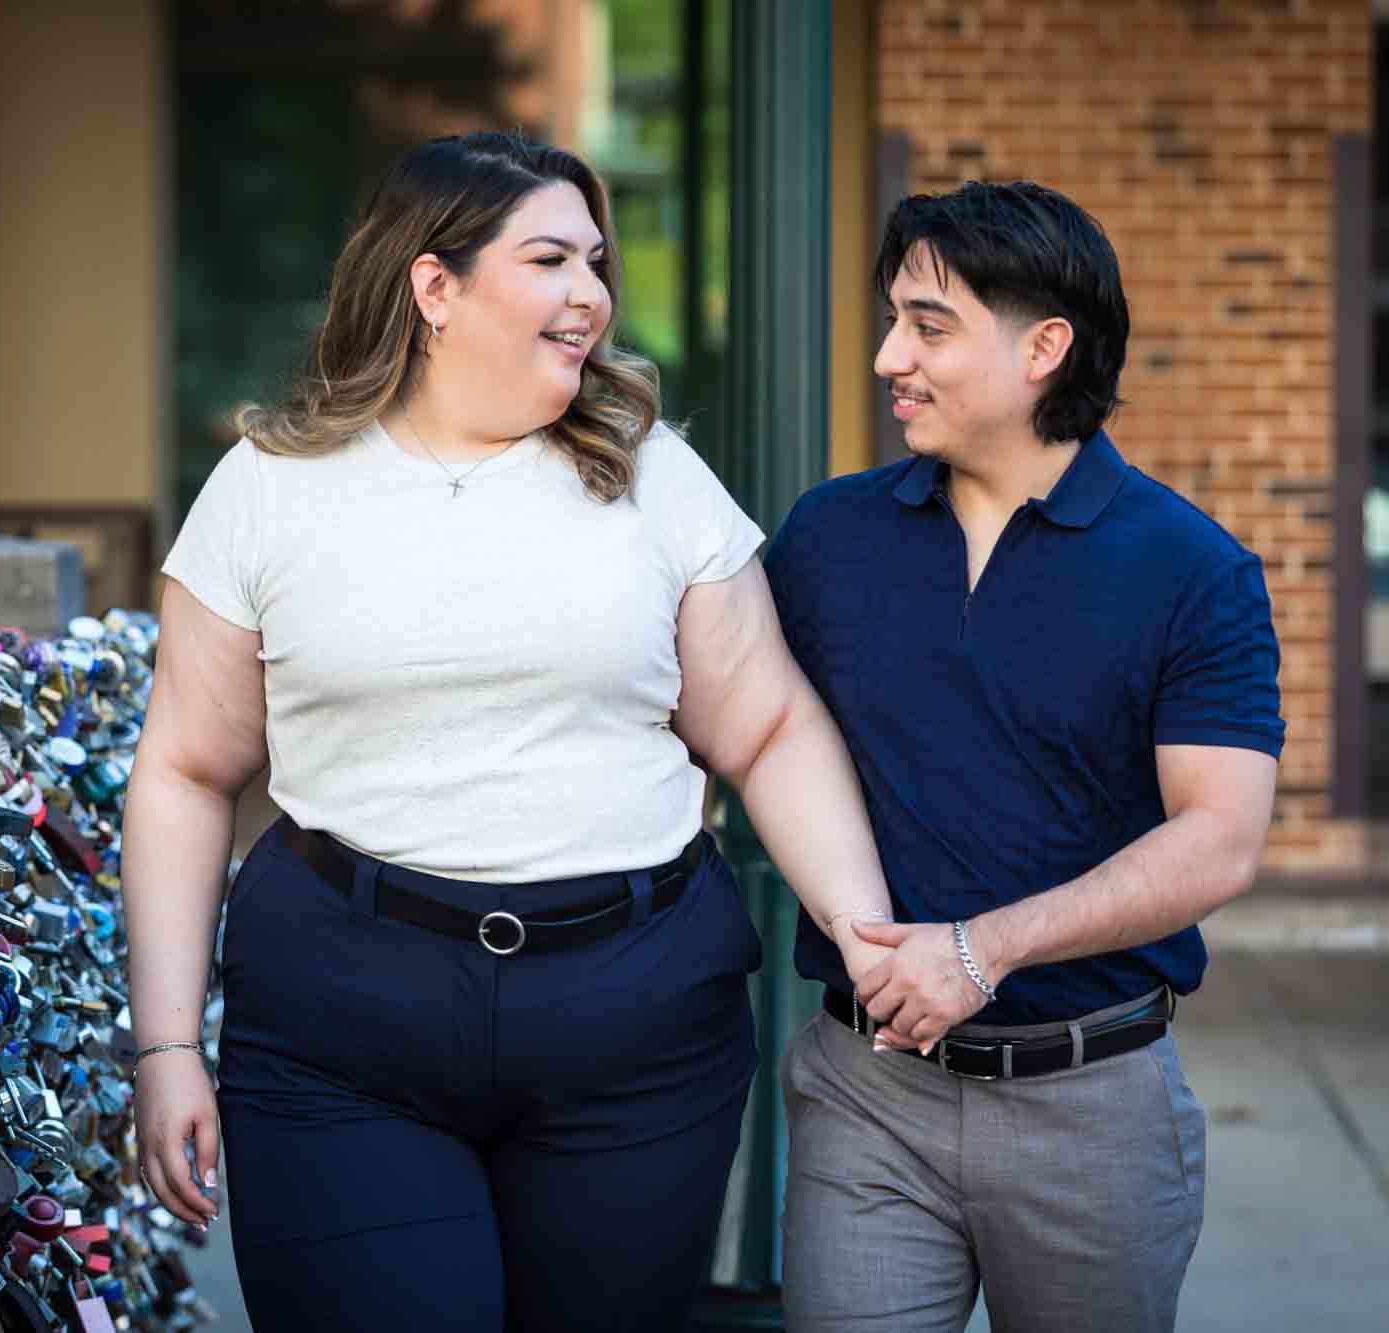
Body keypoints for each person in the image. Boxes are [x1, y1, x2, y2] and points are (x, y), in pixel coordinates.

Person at [120, 131, 898, 1333]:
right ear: (434, 286)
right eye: (548, 259)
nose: (588, 294)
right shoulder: (272, 487)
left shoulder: (653, 475)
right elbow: (184, 767)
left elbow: (768, 728)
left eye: (595, 261)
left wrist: (862, 933)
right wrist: (166, 1044)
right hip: (345, 1029)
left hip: (632, 1028)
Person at [766, 181, 1284, 1333]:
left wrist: (981, 950)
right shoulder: (827, 536)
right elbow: (738, 726)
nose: (888, 355)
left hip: (1090, 1105)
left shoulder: (1190, 570)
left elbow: (1218, 837)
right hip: (868, 1095)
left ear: (1044, 346)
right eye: (892, 318)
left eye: (929, 325)